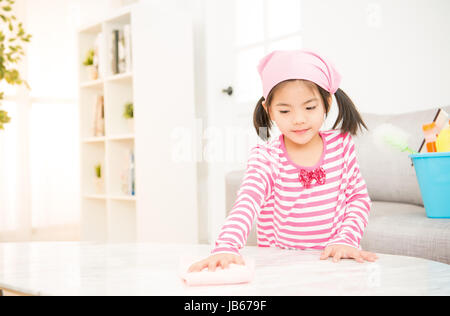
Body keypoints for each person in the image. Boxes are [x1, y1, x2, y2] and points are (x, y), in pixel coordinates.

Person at [188, 49, 378, 273]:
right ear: (269, 111)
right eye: (285, 110)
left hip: (335, 261)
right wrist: (226, 246)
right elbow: (247, 202)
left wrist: (347, 239)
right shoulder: (267, 157)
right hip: (282, 266)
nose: (298, 119)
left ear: (327, 102)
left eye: (309, 107)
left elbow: (358, 199)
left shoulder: (342, 146)